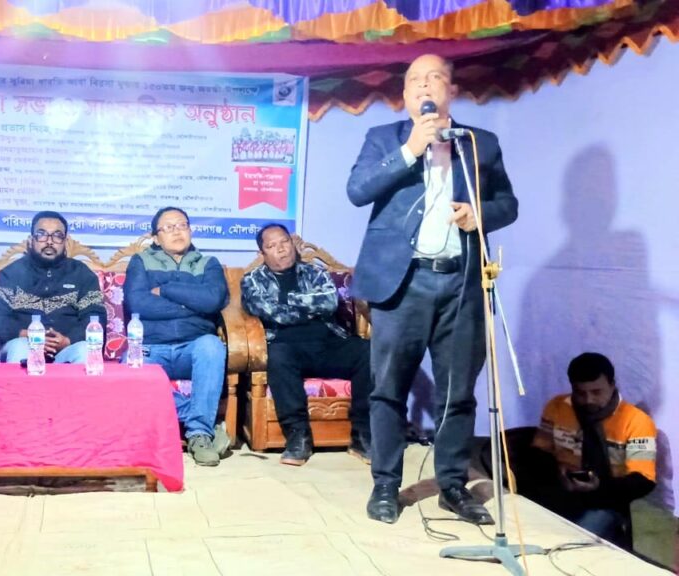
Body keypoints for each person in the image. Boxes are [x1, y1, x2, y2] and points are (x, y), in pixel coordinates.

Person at [347, 53, 519, 524]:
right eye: (415, 80)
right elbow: (358, 190)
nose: (424, 86)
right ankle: (386, 485)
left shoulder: (480, 142)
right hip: (402, 284)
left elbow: (508, 203)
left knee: (457, 393)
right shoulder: (383, 138)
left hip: (461, 283)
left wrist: (480, 215)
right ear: (405, 95)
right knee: (388, 390)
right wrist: (410, 150)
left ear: (451, 90)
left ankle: (452, 485)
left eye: (434, 78)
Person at [240, 223, 373, 466]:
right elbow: (267, 311)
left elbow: (329, 302)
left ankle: (362, 435)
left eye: (285, 242)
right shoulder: (253, 280)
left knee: (369, 352)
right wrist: (308, 308)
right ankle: (298, 436)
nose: (281, 249)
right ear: (262, 253)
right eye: (272, 246)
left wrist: (286, 299)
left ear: (293, 244)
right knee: (278, 358)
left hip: (328, 341)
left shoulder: (315, 273)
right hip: (285, 345)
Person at [124, 207, 229, 466]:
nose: (177, 231)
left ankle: (199, 435)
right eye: (168, 227)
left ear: (190, 230)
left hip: (194, 346)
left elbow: (212, 300)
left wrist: (166, 289)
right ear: (155, 237)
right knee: (128, 363)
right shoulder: (141, 261)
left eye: (182, 225)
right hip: (152, 347)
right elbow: (138, 303)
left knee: (212, 346)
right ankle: (200, 418)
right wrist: (192, 304)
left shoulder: (208, 263)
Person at [529, 353, 656, 549]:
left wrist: (599, 487)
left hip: (608, 501)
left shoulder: (636, 421)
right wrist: (558, 471)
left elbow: (643, 481)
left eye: (597, 392)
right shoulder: (557, 407)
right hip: (561, 492)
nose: (588, 400)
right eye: (580, 393)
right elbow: (538, 453)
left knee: (568, 544)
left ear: (612, 385)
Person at [0, 211, 105, 364]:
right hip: (24, 344)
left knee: (85, 350)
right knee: (19, 347)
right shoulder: (12, 273)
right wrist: (27, 334)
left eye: (57, 236)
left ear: (65, 241)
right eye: (42, 234)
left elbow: (96, 318)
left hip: (66, 350)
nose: (49, 242)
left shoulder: (81, 274)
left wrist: (68, 340)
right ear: (31, 240)